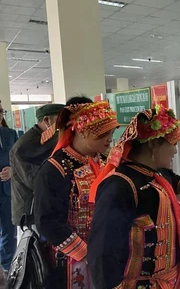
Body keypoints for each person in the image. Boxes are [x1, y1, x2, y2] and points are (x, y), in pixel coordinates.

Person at [88, 106, 180, 289]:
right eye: (172, 144)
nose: (175, 151)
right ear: (153, 144)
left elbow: (174, 179)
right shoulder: (120, 186)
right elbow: (101, 253)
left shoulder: (157, 174)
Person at [34, 97, 119, 288]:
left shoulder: (106, 162)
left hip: (106, 255)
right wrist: (88, 253)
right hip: (71, 262)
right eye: (104, 133)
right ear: (82, 130)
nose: (110, 139)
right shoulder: (55, 169)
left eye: (111, 133)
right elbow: (47, 221)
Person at [10, 103, 64, 226]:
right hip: (30, 211)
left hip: (44, 207)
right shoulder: (25, 145)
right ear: (47, 120)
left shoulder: (48, 138)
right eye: (61, 120)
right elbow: (33, 181)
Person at [0, 101, 18, 275]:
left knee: (9, 232)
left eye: (0, 112)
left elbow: (20, 160)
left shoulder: (10, 134)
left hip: (7, 192)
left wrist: (13, 171)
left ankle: (7, 268)